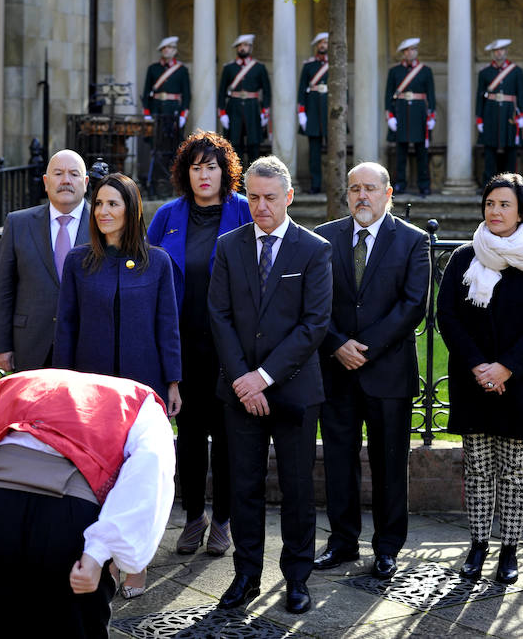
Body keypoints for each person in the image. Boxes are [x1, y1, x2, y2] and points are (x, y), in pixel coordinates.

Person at [0, 368, 175, 639]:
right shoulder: (140, 401)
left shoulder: (16, 384)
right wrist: (98, 552)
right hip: (67, 514)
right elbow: (149, 472)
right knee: (74, 627)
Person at [208, 155, 332, 615]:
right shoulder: (228, 246)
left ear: (289, 197)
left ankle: (297, 578)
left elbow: (315, 323)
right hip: (239, 390)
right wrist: (245, 380)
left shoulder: (314, 249)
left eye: (270, 198)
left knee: (299, 488)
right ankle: (245, 576)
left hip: (295, 390)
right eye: (254, 197)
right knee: (244, 487)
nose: (261, 207)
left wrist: (263, 377)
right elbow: (218, 316)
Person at [53, 172, 182, 597]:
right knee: (98, 476)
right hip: (92, 393)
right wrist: (62, 383)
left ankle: (137, 562)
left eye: (114, 204)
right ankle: (103, 557)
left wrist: (173, 383)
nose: (104, 212)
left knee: (140, 478)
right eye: (100, 204)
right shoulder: (77, 262)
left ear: (131, 210)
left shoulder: (157, 261)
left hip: (142, 391)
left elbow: (168, 326)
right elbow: (66, 327)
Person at [314, 162, 430, 580]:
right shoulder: (325, 239)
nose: (362, 196)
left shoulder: (413, 241)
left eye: (370, 188)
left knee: (389, 464)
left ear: (388, 193)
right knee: (339, 463)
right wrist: (337, 344)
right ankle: (342, 543)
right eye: (354, 189)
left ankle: (387, 548)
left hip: (389, 373)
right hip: (337, 370)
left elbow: (413, 304)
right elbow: (315, 305)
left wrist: (365, 349)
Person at [147, 130, 252, 557]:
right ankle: (193, 517)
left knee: (228, 436)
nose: (204, 175)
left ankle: (223, 521)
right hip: (182, 346)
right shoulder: (166, 216)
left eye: (211, 166)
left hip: (232, 348)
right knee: (188, 436)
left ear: (225, 171)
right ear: (184, 173)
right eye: (196, 167)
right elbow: (148, 279)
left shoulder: (245, 212)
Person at [437, 172, 523, 584]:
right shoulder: (463, 257)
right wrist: (478, 366)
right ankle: (477, 546)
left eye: (504, 204)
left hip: (518, 382)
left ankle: (509, 549)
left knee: (513, 471)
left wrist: (506, 366)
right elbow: (447, 317)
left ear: (520, 211)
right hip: (473, 383)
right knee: (477, 468)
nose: (495, 211)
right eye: (490, 204)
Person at [0, 149, 90, 372]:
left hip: (88, 347)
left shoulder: (103, 225)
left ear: (85, 182)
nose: (66, 180)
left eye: (74, 174)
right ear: (46, 182)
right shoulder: (18, 224)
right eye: (58, 173)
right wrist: (1, 345)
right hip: (31, 346)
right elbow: (1, 290)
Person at [384, 37, 436, 196]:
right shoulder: (394, 71)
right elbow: (388, 96)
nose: (410, 53)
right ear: (403, 53)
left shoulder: (426, 71)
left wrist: (431, 116)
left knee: (422, 153)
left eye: (413, 49)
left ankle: (424, 185)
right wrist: (390, 116)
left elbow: (431, 96)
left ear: (416, 51)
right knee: (401, 154)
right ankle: (400, 184)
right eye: (407, 50)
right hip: (401, 115)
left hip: (419, 116)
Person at [218, 34, 271, 166]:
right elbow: (221, 92)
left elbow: (267, 91)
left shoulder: (259, 67)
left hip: (252, 108)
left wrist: (265, 111)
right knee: (235, 146)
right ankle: (237, 183)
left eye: (246, 45)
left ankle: (253, 181)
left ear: (251, 48)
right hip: (234, 108)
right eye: (240, 46)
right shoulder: (229, 68)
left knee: (254, 145)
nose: (243, 48)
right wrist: (222, 113)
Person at [476, 39, 523, 187]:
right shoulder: (485, 72)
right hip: (491, 114)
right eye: (496, 50)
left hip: (510, 115)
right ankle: (488, 185)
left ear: (506, 51)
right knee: (490, 151)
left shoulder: (516, 71)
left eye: (502, 50)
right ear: (492, 53)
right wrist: (479, 118)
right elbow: (479, 97)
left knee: (511, 150)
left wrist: (521, 115)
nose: (499, 53)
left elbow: (521, 94)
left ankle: (511, 186)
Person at [297, 32, 329, 194]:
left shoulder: (336, 65)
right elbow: (302, 90)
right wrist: (302, 113)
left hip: (331, 114)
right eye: (321, 43)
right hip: (314, 113)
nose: (324, 45)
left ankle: (333, 185)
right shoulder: (309, 66)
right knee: (314, 153)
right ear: (317, 45)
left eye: (326, 42)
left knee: (335, 152)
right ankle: (315, 184)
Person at [142, 35, 191, 129]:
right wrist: (146, 113)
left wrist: (183, 115)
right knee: (155, 140)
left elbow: (186, 94)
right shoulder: (153, 68)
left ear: (175, 50)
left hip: (174, 109)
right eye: (163, 48)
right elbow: (146, 92)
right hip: (156, 108)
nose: (166, 50)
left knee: (173, 140)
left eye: (169, 47)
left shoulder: (182, 70)